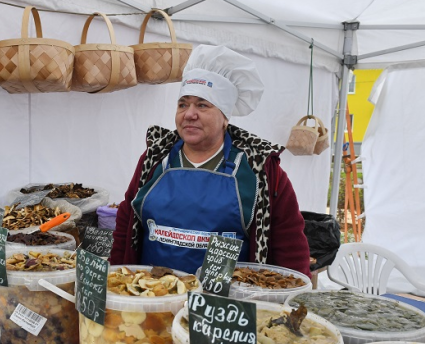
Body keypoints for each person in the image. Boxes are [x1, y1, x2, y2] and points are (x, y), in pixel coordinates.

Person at [110, 44, 311, 278]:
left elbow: (289, 242)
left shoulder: (260, 169)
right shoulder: (155, 158)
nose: (189, 114)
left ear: (225, 117)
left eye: (202, 105)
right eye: (183, 104)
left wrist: (291, 299)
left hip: (223, 306)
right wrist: (115, 276)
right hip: (152, 297)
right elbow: (126, 221)